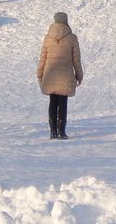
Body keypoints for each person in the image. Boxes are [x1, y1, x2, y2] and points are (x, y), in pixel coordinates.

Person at [37, 12, 83, 140]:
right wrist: (79, 75)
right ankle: (62, 132)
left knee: (52, 102)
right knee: (63, 103)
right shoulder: (72, 38)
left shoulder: (48, 37)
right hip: (66, 75)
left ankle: (53, 132)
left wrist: (39, 73)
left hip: (50, 74)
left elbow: (43, 58)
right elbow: (76, 60)